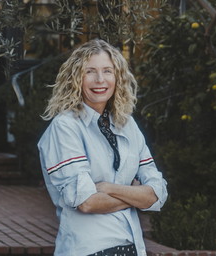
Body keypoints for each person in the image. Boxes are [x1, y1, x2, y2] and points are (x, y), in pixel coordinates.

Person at [37, 39, 168, 256]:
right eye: (90, 71)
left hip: (133, 247)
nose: (100, 79)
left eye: (107, 71)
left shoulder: (127, 124)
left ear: (118, 77)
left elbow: (158, 194)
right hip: (88, 248)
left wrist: (108, 188)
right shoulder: (65, 127)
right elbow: (87, 202)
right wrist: (136, 196)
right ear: (76, 78)